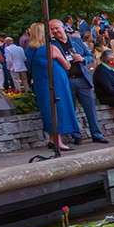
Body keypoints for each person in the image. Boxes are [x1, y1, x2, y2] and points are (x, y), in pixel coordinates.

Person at [24, 21, 81, 149]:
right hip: (56, 84)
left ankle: (52, 139)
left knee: (48, 111)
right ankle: (58, 142)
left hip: (40, 84)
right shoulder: (50, 48)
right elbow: (66, 64)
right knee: (58, 110)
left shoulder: (29, 50)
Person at [62, 23, 107, 145]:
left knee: (91, 109)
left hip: (83, 79)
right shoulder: (53, 45)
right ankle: (76, 136)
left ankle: (96, 134)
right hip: (67, 80)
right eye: (52, 30)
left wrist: (82, 59)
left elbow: (89, 57)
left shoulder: (77, 41)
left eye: (58, 29)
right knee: (71, 109)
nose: (56, 32)